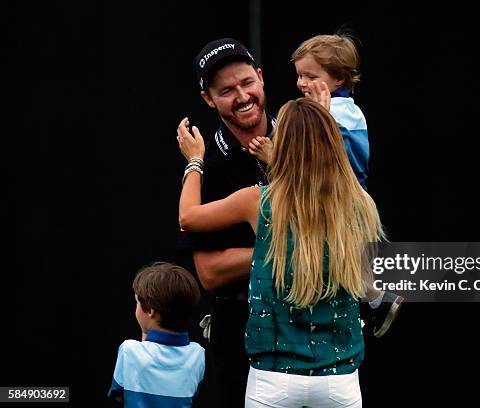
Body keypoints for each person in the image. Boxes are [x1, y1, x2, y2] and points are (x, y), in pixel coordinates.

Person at [177, 97, 385, 407]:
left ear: (282, 144)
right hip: (339, 379)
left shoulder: (259, 201)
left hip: (273, 378)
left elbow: (188, 217)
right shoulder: (357, 204)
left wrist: (195, 160)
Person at [248, 33, 403, 337]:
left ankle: (374, 303)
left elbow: (318, 165)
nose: (301, 83)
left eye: (311, 76)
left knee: (343, 260)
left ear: (339, 79)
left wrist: (274, 156)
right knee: (347, 263)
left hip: (340, 201)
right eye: (299, 75)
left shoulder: (337, 114)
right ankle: (373, 303)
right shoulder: (341, 111)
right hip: (342, 201)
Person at [176, 37, 274, 407]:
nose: (243, 96)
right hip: (240, 336)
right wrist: (292, 256)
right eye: (227, 90)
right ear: (208, 99)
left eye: (248, 83)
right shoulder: (203, 167)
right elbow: (210, 273)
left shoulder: (302, 138)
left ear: (261, 78)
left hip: (313, 331)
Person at [108, 262, 205, 407]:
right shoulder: (198, 354)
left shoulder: (129, 350)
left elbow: (118, 395)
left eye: (137, 303)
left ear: (150, 311)